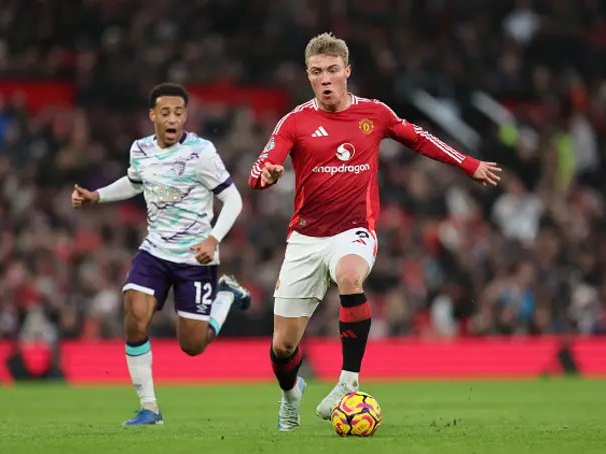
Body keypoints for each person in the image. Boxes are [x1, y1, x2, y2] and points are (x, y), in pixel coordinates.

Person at [248, 33, 502, 431]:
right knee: (282, 346)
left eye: (333, 70)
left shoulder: (374, 113)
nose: (326, 79)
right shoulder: (294, 121)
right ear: (308, 76)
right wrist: (267, 176)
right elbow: (261, 168)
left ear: (347, 71)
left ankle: (347, 383)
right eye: (317, 72)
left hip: (355, 231)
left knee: (350, 277)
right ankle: (290, 394)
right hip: (306, 239)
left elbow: (419, 138)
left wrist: (468, 164)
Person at [72, 83, 251, 426]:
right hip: (154, 252)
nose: (173, 119)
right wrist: (97, 196)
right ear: (152, 115)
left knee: (193, 346)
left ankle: (225, 295)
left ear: (186, 116)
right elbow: (134, 181)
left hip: (195, 258)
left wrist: (213, 240)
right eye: (165, 112)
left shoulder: (202, 153)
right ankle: (149, 408)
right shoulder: (139, 149)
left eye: (179, 112)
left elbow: (234, 199)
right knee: (135, 316)